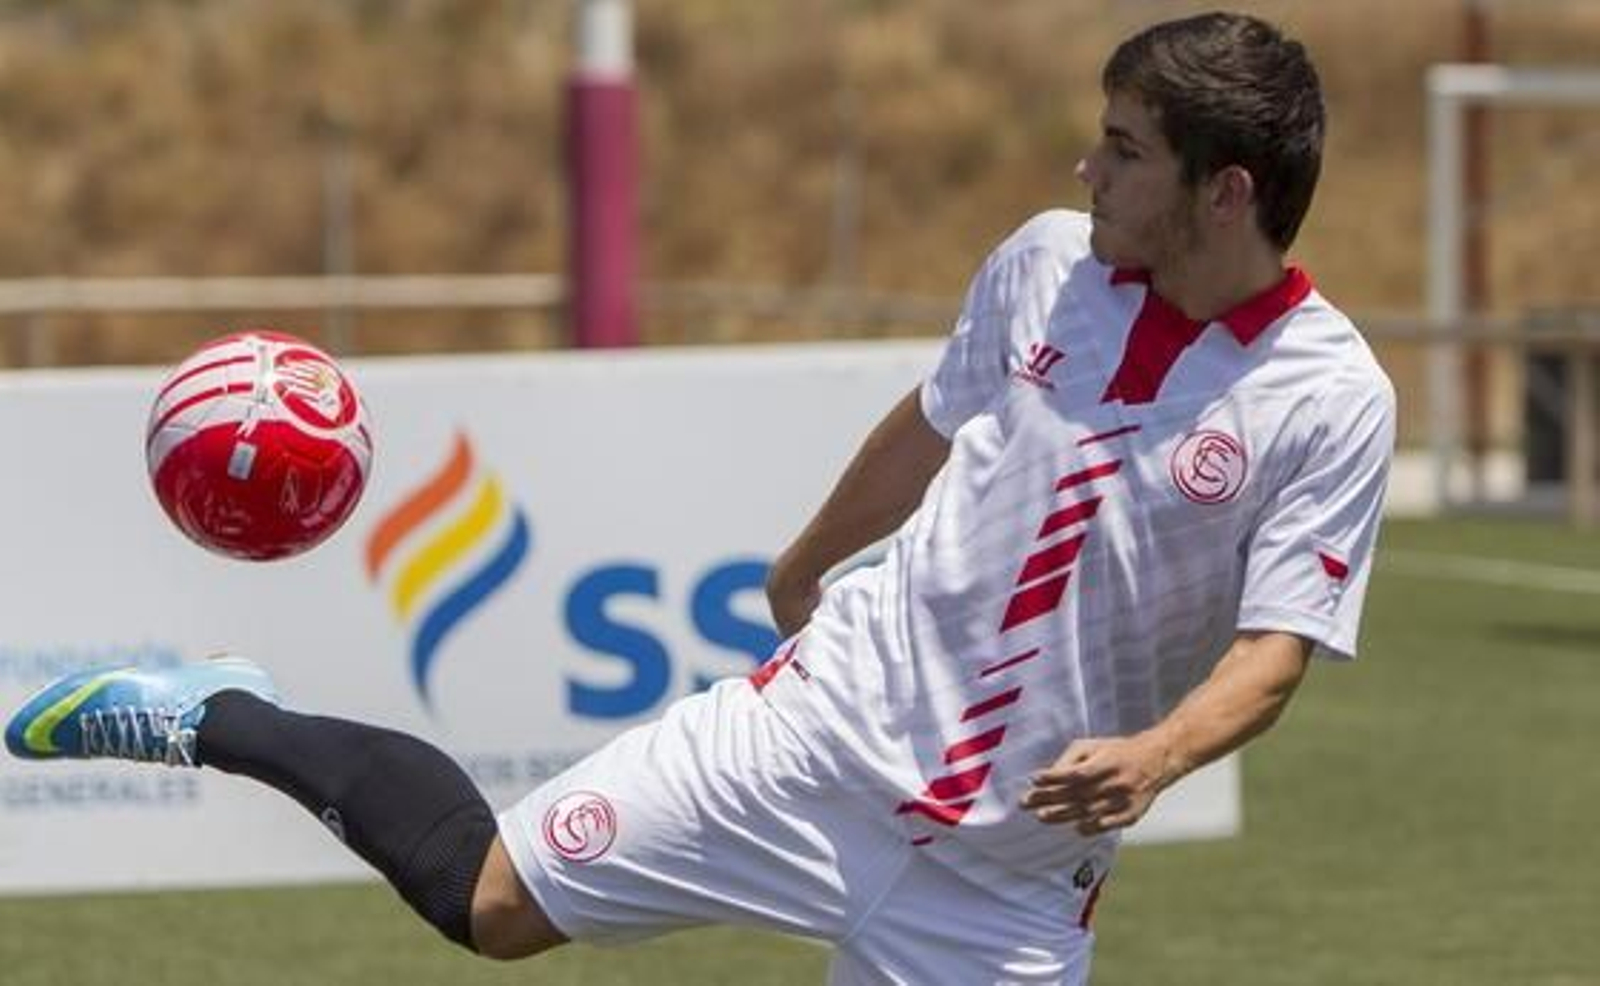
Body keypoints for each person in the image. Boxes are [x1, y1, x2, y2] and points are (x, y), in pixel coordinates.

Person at [6, 11, 1393, 984]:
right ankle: (218, 711)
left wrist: (1156, 753)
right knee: (489, 905)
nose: (1085, 169)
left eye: (1123, 149)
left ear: (1227, 191)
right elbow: (932, 423)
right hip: (813, 740)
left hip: (1007, 880)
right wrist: (805, 563)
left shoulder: (1330, 396)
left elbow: (1276, 655)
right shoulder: (1043, 262)